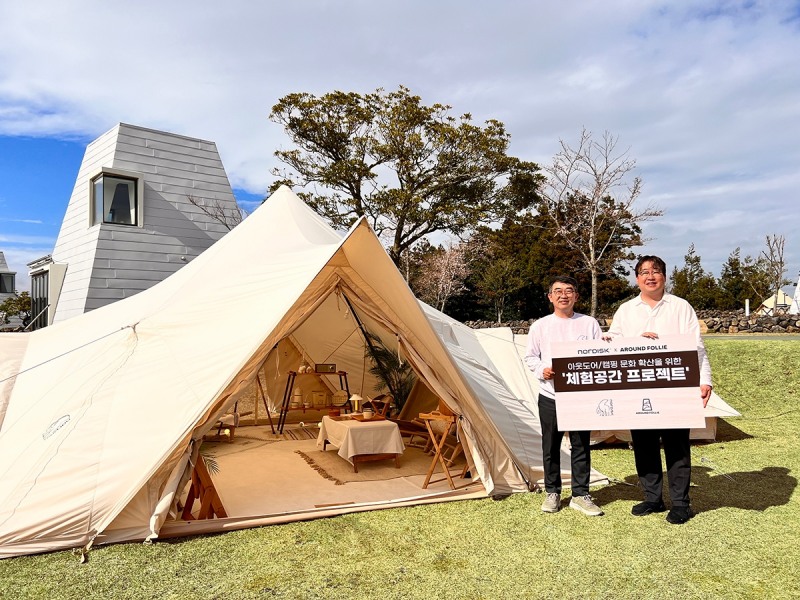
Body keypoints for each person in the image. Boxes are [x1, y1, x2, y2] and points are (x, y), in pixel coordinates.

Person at [606, 255, 713, 525]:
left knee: (677, 445)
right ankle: (653, 498)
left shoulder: (680, 307)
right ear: (637, 278)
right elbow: (613, 344)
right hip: (637, 388)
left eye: (655, 271)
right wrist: (636, 341)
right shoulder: (626, 310)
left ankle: (680, 503)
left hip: (675, 387)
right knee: (643, 444)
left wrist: (705, 380)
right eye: (644, 272)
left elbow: (696, 347)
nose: (650, 276)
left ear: (664, 276)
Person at [525, 276, 603, 516]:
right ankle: (553, 492)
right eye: (557, 291)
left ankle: (581, 494)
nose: (563, 295)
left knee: (581, 445)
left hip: (580, 396)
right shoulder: (540, 326)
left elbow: (600, 354)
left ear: (576, 297)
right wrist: (542, 370)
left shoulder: (589, 324)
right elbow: (530, 357)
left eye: (569, 291)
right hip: (550, 395)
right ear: (550, 297)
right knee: (551, 446)